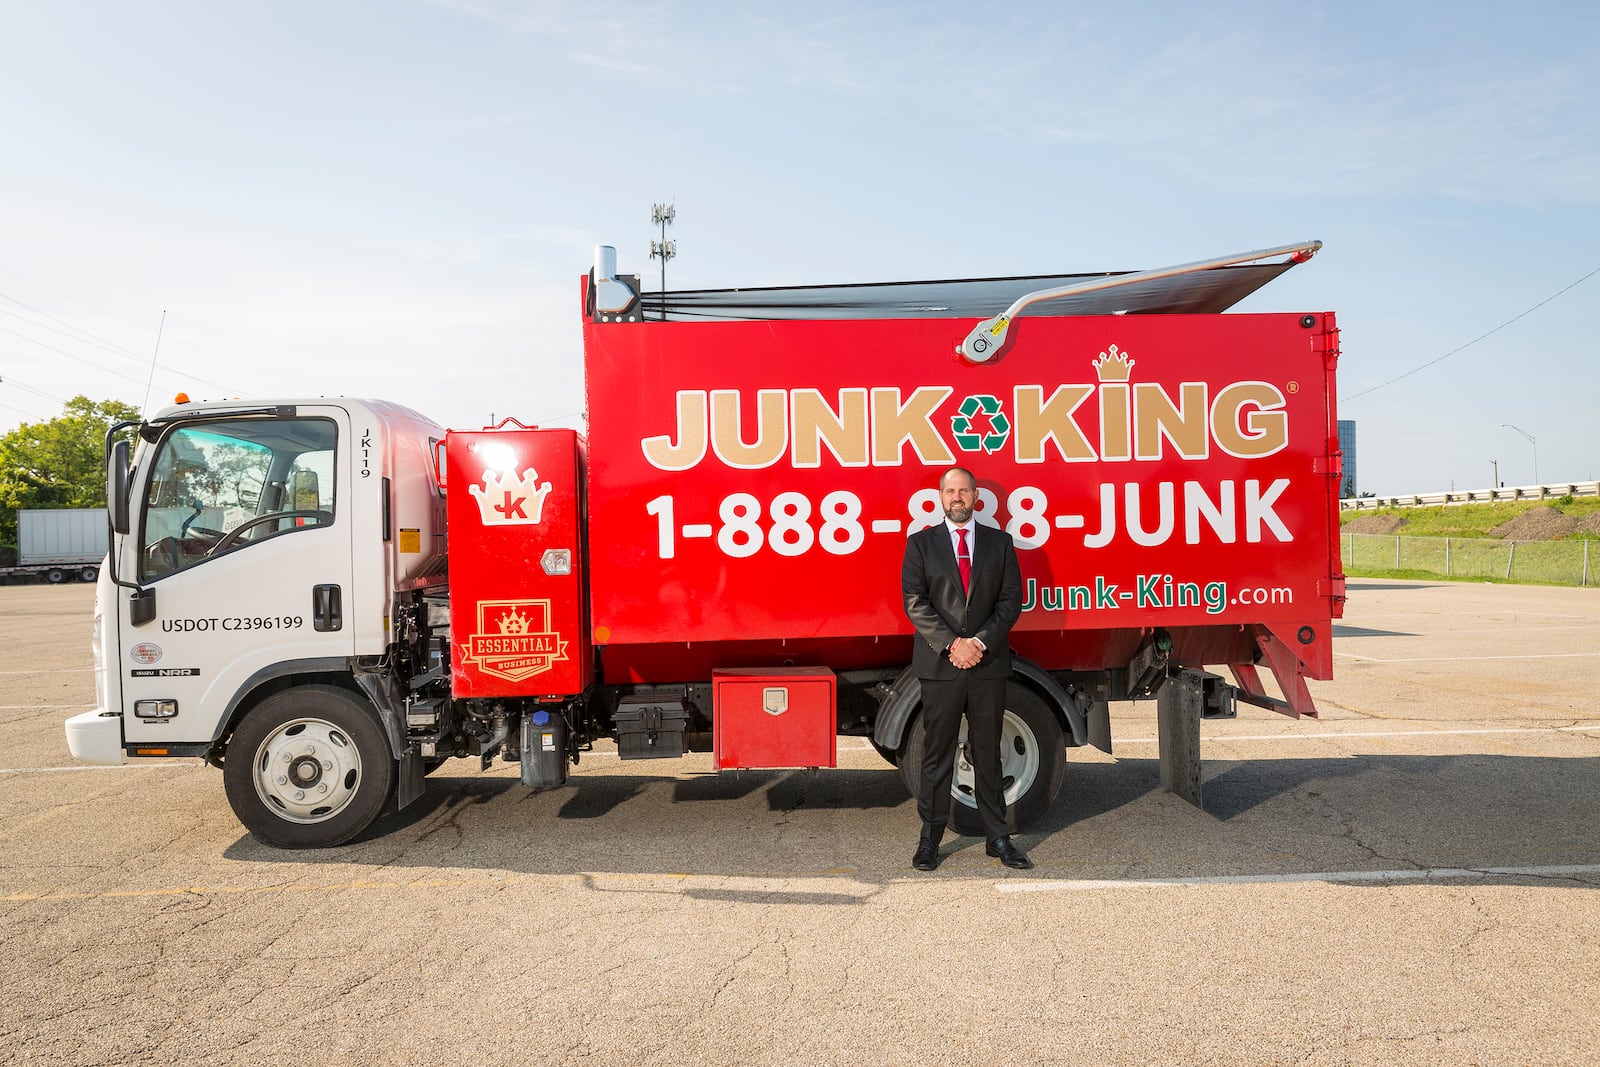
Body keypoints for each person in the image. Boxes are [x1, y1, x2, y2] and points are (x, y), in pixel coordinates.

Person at [900, 466, 1031, 871]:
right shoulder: (920, 544)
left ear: (976, 496)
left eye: (964, 490)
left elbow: (1011, 602)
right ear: (940, 497)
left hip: (986, 663)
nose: (957, 497)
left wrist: (979, 642)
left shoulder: (1000, 543)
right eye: (950, 491)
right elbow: (915, 601)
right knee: (937, 755)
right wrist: (953, 644)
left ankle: (998, 838)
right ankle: (929, 841)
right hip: (941, 665)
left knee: (988, 753)